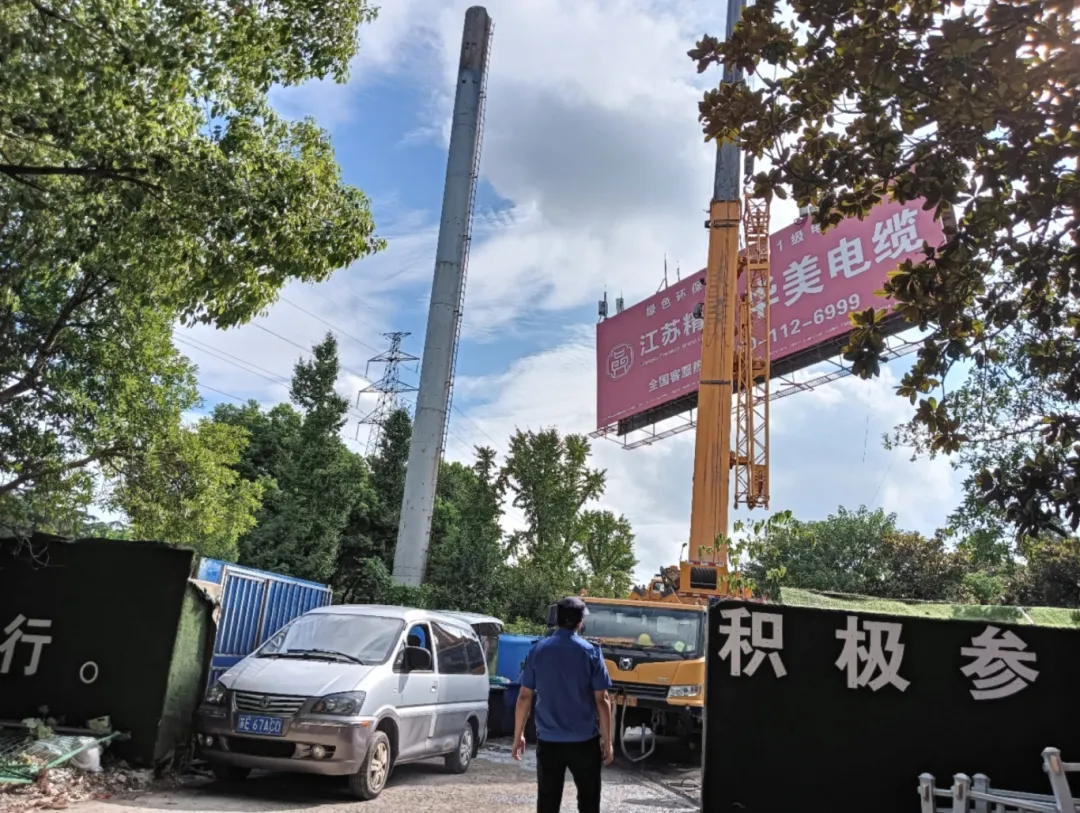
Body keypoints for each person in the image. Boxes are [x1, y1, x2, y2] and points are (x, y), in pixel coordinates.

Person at [512, 596, 614, 813]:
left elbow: (524, 697)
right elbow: (602, 699)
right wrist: (607, 741)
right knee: (589, 802)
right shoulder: (591, 652)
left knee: (547, 803)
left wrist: (518, 735)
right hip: (584, 742)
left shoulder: (538, 650)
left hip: (549, 742)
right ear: (580, 622)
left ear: (557, 619)